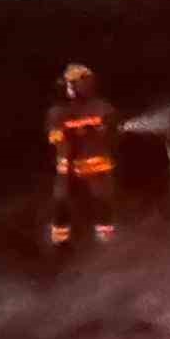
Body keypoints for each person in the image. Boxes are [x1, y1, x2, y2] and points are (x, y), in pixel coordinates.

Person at [46, 63, 118, 247]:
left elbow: (113, 131)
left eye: (86, 82)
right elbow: (55, 139)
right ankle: (60, 241)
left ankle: (106, 237)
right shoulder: (58, 112)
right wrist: (71, 135)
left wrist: (103, 130)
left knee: (102, 200)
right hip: (68, 167)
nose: (84, 87)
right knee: (61, 202)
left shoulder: (102, 107)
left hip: (96, 164)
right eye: (79, 83)